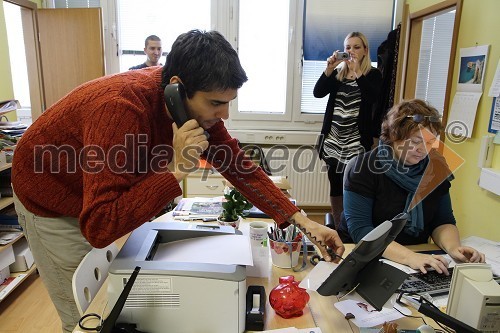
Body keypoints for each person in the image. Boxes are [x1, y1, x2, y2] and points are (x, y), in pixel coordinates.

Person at [11, 29, 345, 332]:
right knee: (88, 320)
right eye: (216, 103)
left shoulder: (186, 105)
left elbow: (239, 167)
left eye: (228, 103)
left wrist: (303, 222)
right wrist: (177, 168)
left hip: (90, 189)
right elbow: (100, 227)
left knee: (112, 290)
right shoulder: (119, 110)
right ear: (176, 87)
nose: (224, 115)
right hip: (48, 191)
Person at [340, 99, 485, 274]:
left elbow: (443, 221)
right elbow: (362, 231)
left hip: (416, 255)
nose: (422, 149)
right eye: (416, 141)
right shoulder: (363, 167)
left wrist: (454, 248)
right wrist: (409, 257)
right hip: (361, 254)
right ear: (394, 135)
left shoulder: (436, 168)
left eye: (430, 142)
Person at [313, 31, 382, 231]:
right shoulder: (338, 73)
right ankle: (338, 227)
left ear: (365, 50)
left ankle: (353, 226)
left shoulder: (373, 74)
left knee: (353, 186)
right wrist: (329, 69)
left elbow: (371, 98)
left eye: (356, 47)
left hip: (356, 142)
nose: (351, 51)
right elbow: (318, 93)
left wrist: (358, 72)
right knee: (335, 185)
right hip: (333, 140)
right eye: (348, 47)